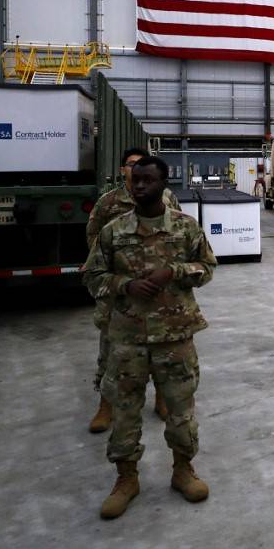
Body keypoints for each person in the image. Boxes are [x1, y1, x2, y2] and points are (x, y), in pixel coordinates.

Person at [83, 156, 216, 519]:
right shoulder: (114, 231)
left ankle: (183, 471)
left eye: (147, 180)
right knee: (125, 413)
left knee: (181, 411)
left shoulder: (186, 228)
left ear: (163, 184)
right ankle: (126, 480)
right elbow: (92, 275)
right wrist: (124, 284)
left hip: (175, 336)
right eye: (135, 180)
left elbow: (207, 268)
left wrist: (174, 271)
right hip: (127, 338)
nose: (139, 186)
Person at [85, 147, 181, 433]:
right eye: (130, 165)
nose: (136, 170)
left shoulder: (167, 198)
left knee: (165, 351)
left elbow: (179, 234)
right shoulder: (109, 202)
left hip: (159, 292)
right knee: (112, 351)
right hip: (121, 295)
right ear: (122, 170)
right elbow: (94, 236)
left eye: (141, 164)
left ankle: (162, 399)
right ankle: (106, 405)